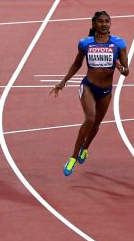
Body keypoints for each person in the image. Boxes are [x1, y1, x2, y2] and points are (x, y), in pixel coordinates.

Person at [51, 11, 129, 177]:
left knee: (96, 125)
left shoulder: (119, 44)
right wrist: (63, 81)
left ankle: (85, 148)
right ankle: (72, 157)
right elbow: (77, 64)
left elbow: (126, 70)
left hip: (106, 91)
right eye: (100, 21)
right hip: (88, 87)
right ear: (94, 24)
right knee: (90, 118)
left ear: (110, 24)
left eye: (107, 21)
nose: (104, 24)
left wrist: (123, 69)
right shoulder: (85, 43)